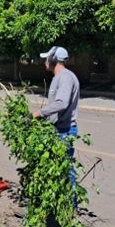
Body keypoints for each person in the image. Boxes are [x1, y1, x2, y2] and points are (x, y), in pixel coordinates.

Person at [32, 46, 80, 206]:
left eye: (47, 58)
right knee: (52, 169)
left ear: (53, 60)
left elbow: (61, 103)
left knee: (65, 170)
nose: (45, 61)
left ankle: (69, 209)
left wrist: (40, 113)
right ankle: (53, 205)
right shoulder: (58, 77)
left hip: (64, 131)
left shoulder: (65, 77)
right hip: (56, 129)